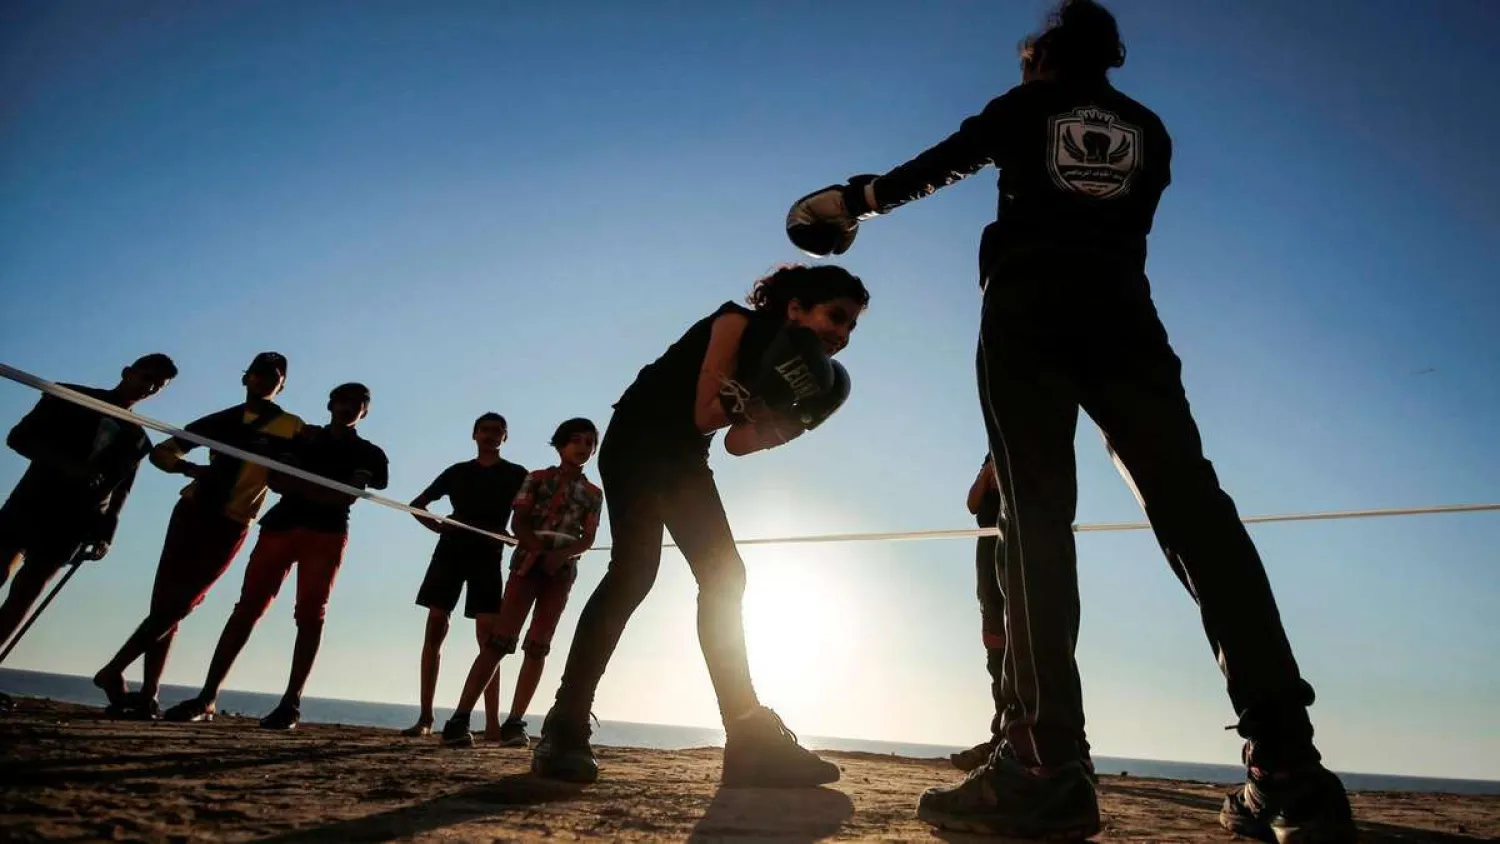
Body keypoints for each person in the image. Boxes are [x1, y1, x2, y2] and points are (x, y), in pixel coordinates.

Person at [786, 1, 1355, 839]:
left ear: (1042, 60)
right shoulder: (1149, 129)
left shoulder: (1027, 106)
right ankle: (1291, 771)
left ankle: (1046, 764)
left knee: (1037, 523)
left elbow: (934, 168)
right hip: (1126, 315)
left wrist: (846, 202)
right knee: (1198, 514)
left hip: (1028, 310)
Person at [530, 264, 865, 789]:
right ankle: (565, 723)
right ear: (795, 307)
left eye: (851, 328)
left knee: (725, 576)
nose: (842, 336)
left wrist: (795, 416)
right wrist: (765, 380)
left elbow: (737, 444)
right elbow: (706, 416)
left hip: (684, 457)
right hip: (640, 438)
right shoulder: (734, 321)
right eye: (836, 317)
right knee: (636, 571)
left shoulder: (799, 364)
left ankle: (748, 736)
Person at [162, 382, 389, 729]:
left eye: (357, 403)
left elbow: (346, 497)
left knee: (311, 614)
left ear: (365, 411)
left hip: (325, 535)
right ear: (330, 403)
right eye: (343, 400)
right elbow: (279, 482)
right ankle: (207, 696)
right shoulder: (301, 437)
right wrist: (319, 489)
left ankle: (290, 704)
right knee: (248, 607)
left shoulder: (371, 454)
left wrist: (310, 488)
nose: (348, 407)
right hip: (281, 526)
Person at [94, 352, 304, 720]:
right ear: (246, 378)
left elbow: (303, 468)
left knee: (184, 602)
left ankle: (116, 668)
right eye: (257, 372)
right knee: (166, 603)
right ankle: (147, 694)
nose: (264, 379)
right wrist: (190, 468)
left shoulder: (291, 426)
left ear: (282, 384)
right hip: (193, 511)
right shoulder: (222, 420)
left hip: (234, 518)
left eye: (273, 375)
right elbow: (163, 453)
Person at [0, 355, 179, 663]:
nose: (148, 388)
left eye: (157, 386)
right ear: (127, 372)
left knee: (26, 594)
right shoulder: (67, 397)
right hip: (30, 503)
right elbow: (19, 438)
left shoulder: (137, 438)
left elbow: (121, 491)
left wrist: (106, 532)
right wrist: (67, 466)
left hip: (74, 522)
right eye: (146, 378)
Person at [441, 417, 604, 749]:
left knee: (538, 644)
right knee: (500, 640)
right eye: (576, 440)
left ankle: (515, 721)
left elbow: (588, 537)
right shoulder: (537, 478)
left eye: (589, 443)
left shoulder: (592, 493)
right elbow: (519, 520)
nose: (583, 448)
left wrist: (562, 556)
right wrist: (538, 549)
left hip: (561, 573)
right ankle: (460, 718)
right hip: (527, 565)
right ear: (560, 444)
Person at [952, 454, 1097, 782]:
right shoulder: (990, 453)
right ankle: (1001, 732)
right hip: (988, 548)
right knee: (993, 630)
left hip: (1025, 546)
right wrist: (987, 472)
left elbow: (1027, 490)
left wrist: (1000, 474)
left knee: (1032, 632)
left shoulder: (1026, 445)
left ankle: (1063, 741)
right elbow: (973, 503)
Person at [402, 413, 528, 740]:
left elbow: (527, 514)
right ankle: (426, 717)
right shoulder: (457, 472)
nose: (491, 436)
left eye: (498, 431)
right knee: (436, 625)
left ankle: (492, 726)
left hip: (488, 556)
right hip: (450, 552)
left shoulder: (516, 474)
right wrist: (439, 526)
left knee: (489, 638)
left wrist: (517, 535)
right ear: (474, 434)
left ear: (505, 437)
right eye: (485, 430)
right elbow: (418, 505)